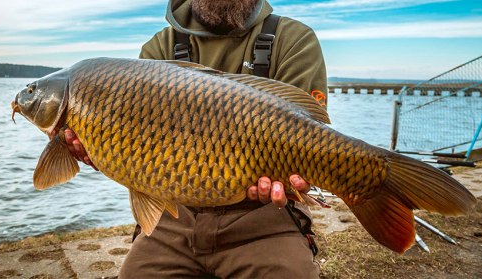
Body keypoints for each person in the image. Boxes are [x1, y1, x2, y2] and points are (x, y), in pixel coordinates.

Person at [65, 0, 327, 277]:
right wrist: (105, 153)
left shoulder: (292, 39)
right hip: (177, 217)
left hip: (266, 219)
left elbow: (309, 134)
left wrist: (299, 176)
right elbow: (138, 150)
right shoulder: (160, 47)